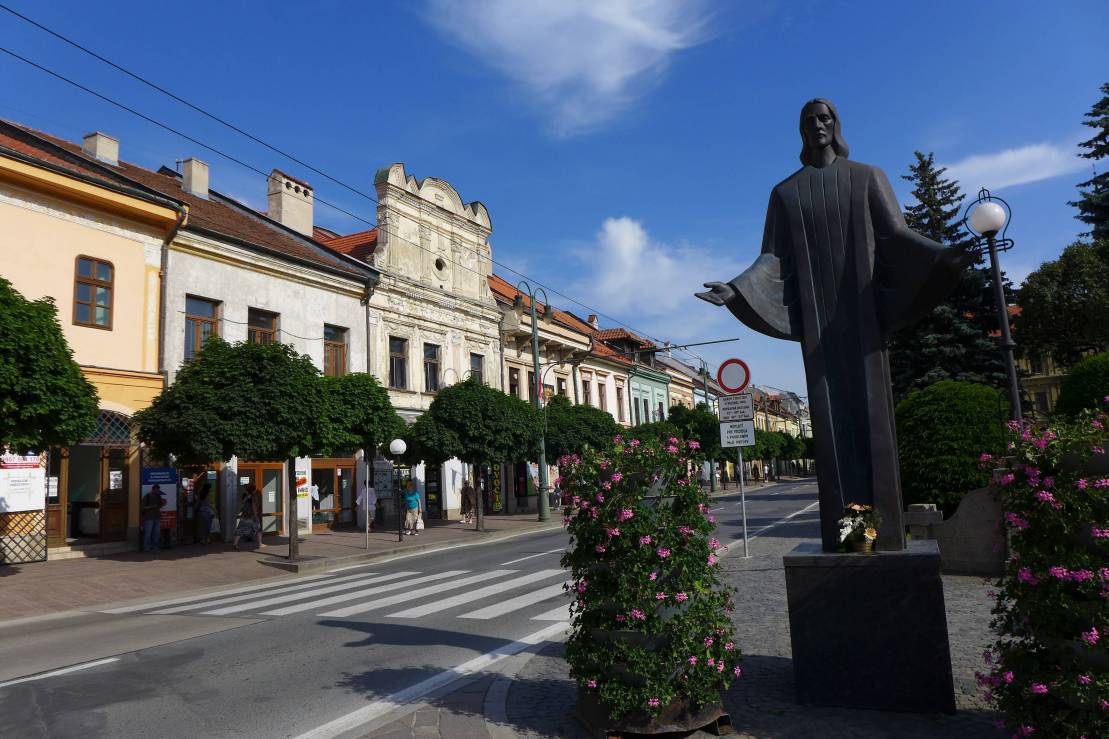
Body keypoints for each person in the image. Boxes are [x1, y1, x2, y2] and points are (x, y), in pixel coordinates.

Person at [233, 484, 264, 551]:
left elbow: (242, 506)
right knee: (258, 529)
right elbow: (254, 506)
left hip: (245, 516)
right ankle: (260, 544)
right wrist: (256, 515)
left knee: (240, 529)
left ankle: (235, 543)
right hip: (252, 516)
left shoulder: (246, 497)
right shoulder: (253, 496)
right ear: (254, 490)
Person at [141, 484, 164, 552]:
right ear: (153, 489)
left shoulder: (158, 496)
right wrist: (152, 506)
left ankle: (155, 547)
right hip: (148, 517)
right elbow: (142, 507)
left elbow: (160, 505)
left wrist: (160, 505)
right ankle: (147, 548)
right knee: (148, 533)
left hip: (157, 517)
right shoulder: (147, 496)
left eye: (158, 490)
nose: (157, 492)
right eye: (156, 490)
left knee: (156, 533)